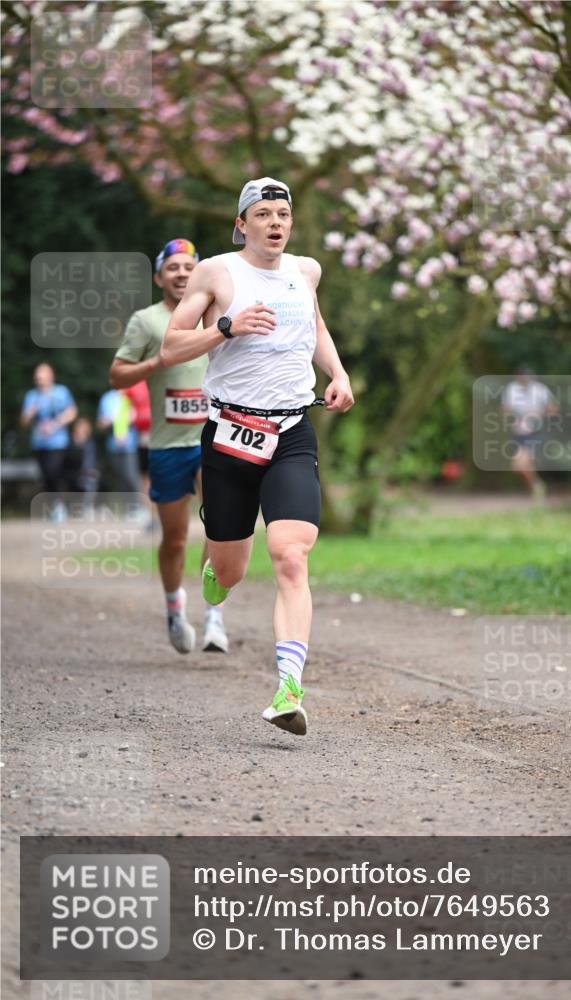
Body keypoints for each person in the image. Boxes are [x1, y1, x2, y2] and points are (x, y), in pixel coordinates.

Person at [160, 177, 354, 736]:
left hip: (292, 430)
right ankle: (216, 572)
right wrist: (226, 326)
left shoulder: (306, 271)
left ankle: (289, 688)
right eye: (263, 213)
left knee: (291, 555)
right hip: (228, 436)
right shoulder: (217, 272)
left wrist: (337, 373)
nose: (275, 222)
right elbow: (172, 345)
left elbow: (313, 324)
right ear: (241, 224)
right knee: (232, 569)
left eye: (283, 214)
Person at [109, 239, 227, 654]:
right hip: (167, 445)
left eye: (188, 266)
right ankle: (176, 608)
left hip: (216, 438)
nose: (181, 273)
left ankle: (215, 614)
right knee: (175, 538)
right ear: (159, 276)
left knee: (221, 527)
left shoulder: (216, 313)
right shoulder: (146, 321)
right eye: (172, 267)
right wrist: (154, 364)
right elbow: (117, 377)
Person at [20, 363, 77, 519]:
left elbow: (72, 412)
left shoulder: (61, 392)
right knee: (45, 476)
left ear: (51, 375)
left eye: (42, 374)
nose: (39, 378)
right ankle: (54, 507)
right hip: (39, 443)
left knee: (54, 472)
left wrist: (56, 424)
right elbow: (24, 423)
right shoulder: (31, 396)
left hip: (58, 443)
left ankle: (59, 507)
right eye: (37, 375)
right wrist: (30, 414)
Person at [501, 367, 559, 501]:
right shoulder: (511, 389)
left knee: (521, 465)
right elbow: (504, 409)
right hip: (519, 432)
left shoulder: (540, 390)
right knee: (518, 467)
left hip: (535, 432)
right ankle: (537, 487)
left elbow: (554, 408)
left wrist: (538, 416)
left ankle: (536, 489)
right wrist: (514, 418)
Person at [97, 387, 142, 497]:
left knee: (131, 476)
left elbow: (142, 417)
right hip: (113, 445)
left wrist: (133, 419)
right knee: (120, 477)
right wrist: (106, 422)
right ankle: (128, 507)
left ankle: (138, 506)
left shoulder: (133, 396)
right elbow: (100, 424)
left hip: (130, 445)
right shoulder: (107, 398)